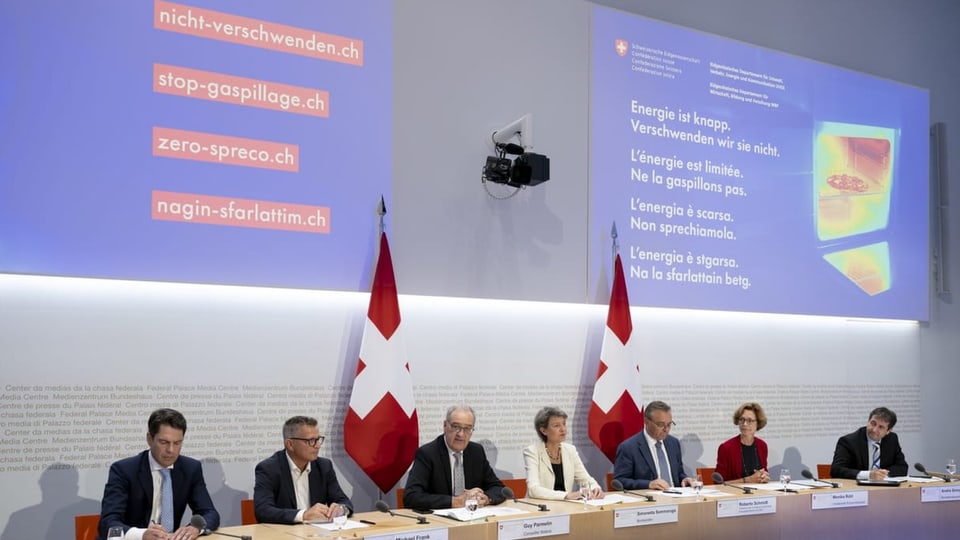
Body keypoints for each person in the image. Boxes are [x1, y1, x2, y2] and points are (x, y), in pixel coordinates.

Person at [99, 408, 220, 540]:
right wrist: (142, 534)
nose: (171, 450)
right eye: (164, 442)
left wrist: (195, 528)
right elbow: (108, 523)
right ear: (149, 439)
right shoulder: (124, 470)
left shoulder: (190, 468)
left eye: (177, 443)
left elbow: (209, 513)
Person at [403, 405, 506, 510]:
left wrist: (486, 498)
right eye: (456, 426)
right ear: (445, 426)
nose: (461, 434)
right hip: (440, 521)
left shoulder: (476, 452)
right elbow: (411, 497)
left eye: (467, 428)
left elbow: (499, 488)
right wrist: (455, 501)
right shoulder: (428, 453)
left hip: (472, 518)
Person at [253, 416, 353, 524]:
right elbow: (263, 511)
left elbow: (344, 501)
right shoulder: (269, 469)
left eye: (318, 439)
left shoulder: (324, 466)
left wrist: (341, 509)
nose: (318, 445)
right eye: (311, 441)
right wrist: (303, 515)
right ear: (290, 444)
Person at [523, 406, 603, 500]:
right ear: (543, 431)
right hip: (539, 507)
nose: (563, 429)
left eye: (564, 424)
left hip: (565, 506)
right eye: (556, 425)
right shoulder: (532, 451)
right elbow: (533, 489)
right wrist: (566, 495)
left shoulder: (570, 450)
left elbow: (585, 479)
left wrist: (595, 488)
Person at [613, 400, 693, 490]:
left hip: (677, 497)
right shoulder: (628, 448)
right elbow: (620, 481)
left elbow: (679, 473)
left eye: (669, 424)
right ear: (646, 422)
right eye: (661, 424)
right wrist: (648, 484)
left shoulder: (673, 443)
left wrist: (685, 479)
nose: (666, 429)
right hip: (649, 500)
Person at [831, 407, 908, 480]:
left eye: (881, 427)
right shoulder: (849, 441)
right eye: (873, 423)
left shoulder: (892, 439)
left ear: (888, 431)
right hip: (858, 489)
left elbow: (902, 467)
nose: (874, 429)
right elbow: (836, 470)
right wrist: (869, 475)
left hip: (885, 488)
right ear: (868, 421)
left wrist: (882, 475)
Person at [715, 402, 770, 484]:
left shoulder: (762, 446)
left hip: (759, 494)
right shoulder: (726, 448)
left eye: (750, 420)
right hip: (735, 495)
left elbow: (763, 472)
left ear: (758, 423)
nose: (744, 424)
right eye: (742, 419)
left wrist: (763, 477)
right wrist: (748, 480)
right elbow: (718, 483)